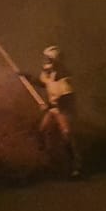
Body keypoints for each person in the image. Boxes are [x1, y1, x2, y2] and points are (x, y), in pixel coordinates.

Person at [38, 46, 81, 178]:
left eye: (48, 58)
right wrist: (27, 77)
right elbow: (43, 83)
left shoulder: (64, 76)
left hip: (64, 111)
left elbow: (67, 98)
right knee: (43, 130)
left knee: (67, 135)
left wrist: (48, 105)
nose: (45, 60)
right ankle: (50, 161)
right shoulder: (50, 73)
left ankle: (75, 167)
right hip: (53, 109)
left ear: (54, 60)